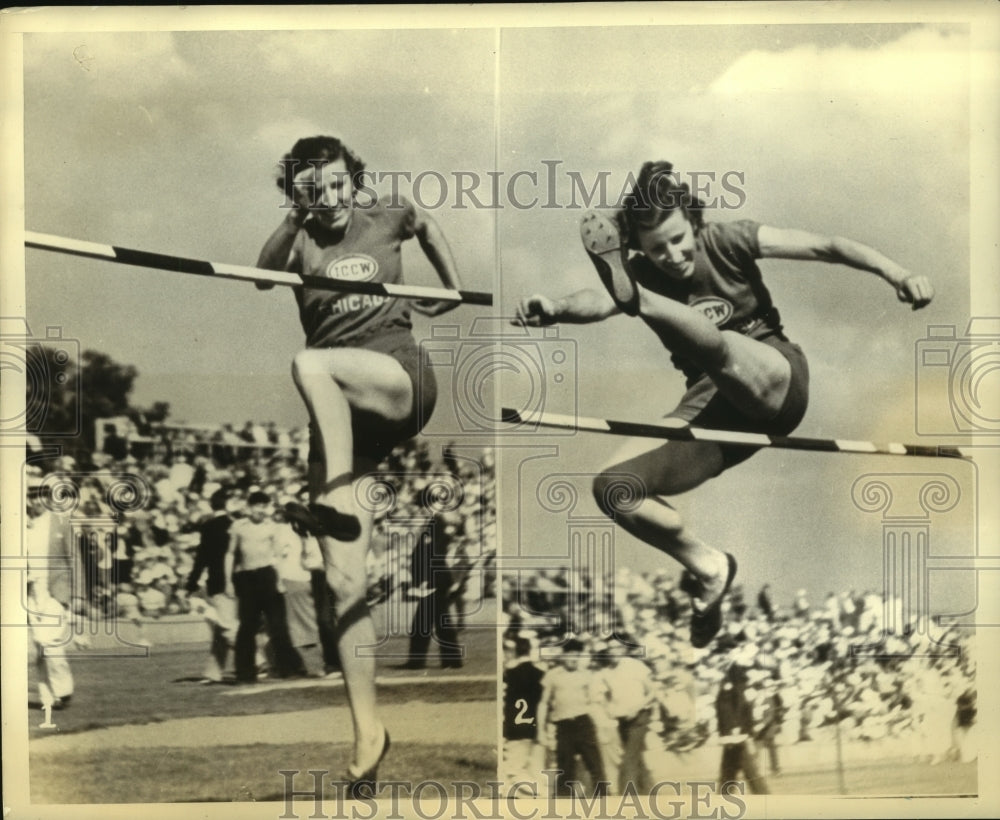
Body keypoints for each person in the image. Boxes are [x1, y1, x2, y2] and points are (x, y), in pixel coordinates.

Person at [515, 160, 933, 647]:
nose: (672, 256)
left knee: (714, 345)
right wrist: (558, 308)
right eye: (656, 249)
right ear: (638, 250)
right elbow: (598, 299)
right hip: (712, 411)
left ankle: (641, 302)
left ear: (694, 223)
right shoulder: (646, 271)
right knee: (614, 488)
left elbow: (827, 246)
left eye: (678, 240)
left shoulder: (727, 239)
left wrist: (897, 273)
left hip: (773, 377)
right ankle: (710, 568)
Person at [255, 135, 464, 796]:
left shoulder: (387, 216)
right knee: (343, 585)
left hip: (397, 379)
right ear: (300, 194)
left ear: (356, 182)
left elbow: (427, 223)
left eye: (340, 184)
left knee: (308, 362)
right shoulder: (300, 240)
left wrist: (452, 289)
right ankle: (368, 735)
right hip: (342, 422)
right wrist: (294, 215)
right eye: (315, 189)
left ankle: (334, 496)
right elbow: (262, 274)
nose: (331, 198)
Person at [230, 491, 308, 683]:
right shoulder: (238, 527)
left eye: (264, 506)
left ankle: (288, 669)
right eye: (257, 505)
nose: (261, 510)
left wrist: (279, 581)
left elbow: (277, 557)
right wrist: (227, 581)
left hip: (268, 576)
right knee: (247, 627)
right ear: (249, 507)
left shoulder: (272, 528)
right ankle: (245, 673)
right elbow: (230, 554)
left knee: (278, 625)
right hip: (246, 577)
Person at [536, 639, 609, 798]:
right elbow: (543, 703)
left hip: (584, 724)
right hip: (564, 727)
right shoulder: (552, 675)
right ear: (563, 656)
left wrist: (601, 729)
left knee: (596, 767)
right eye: (570, 655)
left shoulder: (586, 675)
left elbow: (594, 704)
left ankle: (606, 806)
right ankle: (563, 808)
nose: (573, 659)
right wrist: (540, 731)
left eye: (577, 656)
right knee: (565, 770)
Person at [185, 488, 236, 683]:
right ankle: (213, 672)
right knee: (223, 630)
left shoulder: (208, 527)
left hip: (218, 583)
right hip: (237, 582)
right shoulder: (235, 525)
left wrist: (191, 583)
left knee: (226, 628)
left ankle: (259, 660)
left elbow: (202, 558)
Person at [716, 662, 768, 794]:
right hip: (738, 735)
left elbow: (725, 711)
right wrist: (738, 727)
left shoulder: (726, 690)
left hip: (731, 735)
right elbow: (737, 710)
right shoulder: (738, 690)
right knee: (748, 770)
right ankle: (765, 797)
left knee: (729, 772)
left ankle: (723, 798)